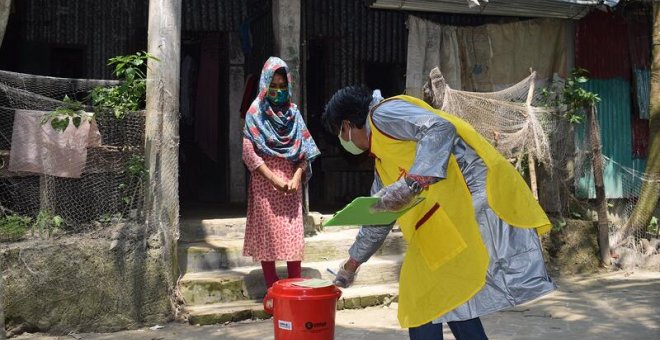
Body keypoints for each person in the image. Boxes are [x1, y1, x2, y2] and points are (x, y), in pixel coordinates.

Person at [322, 86, 555, 340]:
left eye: (340, 134)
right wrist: (351, 265)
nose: (344, 143)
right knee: (447, 296)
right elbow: (379, 217)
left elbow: (439, 127)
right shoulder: (382, 160)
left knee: (422, 294)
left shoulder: (383, 114)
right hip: (447, 220)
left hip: (471, 198)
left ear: (347, 124)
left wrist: (413, 183)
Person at [242, 57, 320, 290]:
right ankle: (272, 287)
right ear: (265, 84)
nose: (277, 91)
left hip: (291, 183)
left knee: (292, 233)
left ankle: (294, 283)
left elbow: (305, 150)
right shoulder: (255, 113)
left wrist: (296, 177)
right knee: (269, 234)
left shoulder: (294, 113)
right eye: (273, 85)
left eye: (282, 86)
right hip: (266, 183)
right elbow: (249, 154)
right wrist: (274, 179)